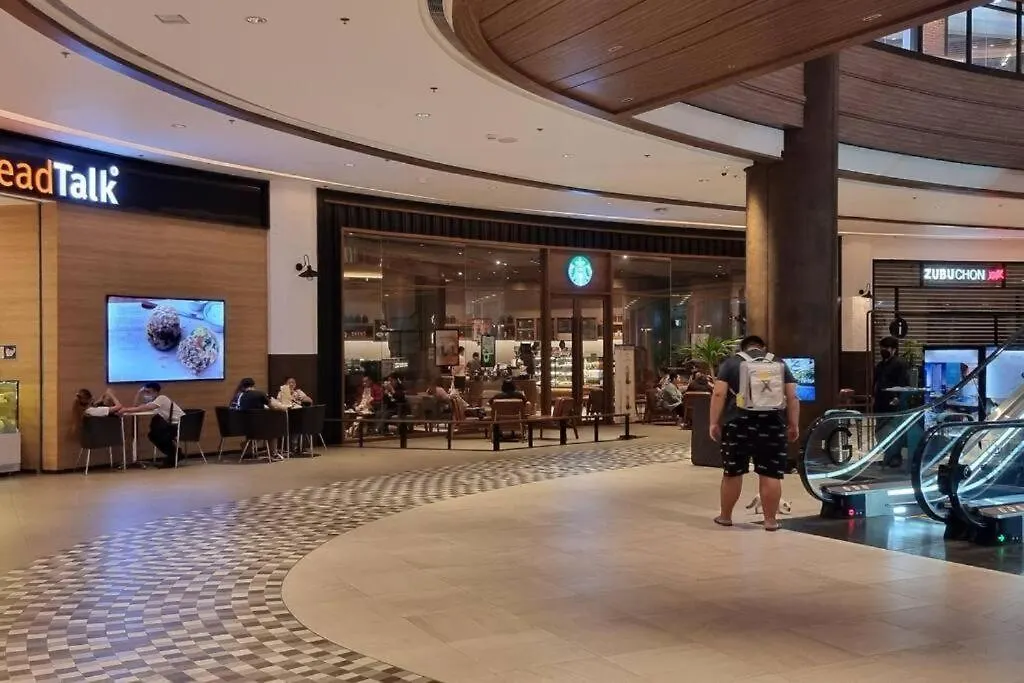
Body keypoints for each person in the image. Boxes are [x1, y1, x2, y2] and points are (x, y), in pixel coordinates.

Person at [709, 335, 799, 532]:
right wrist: (793, 424)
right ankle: (770, 521)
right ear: (763, 347)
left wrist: (714, 423)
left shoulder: (731, 363)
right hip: (773, 424)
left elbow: (718, 393)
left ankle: (725, 517)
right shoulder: (779, 363)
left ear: (743, 348)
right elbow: (792, 396)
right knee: (770, 473)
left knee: (733, 472)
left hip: (738, 424)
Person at [121, 383, 184, 468]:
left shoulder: (162, 398)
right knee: (153, 435)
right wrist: (139, 393)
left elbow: (144, 408)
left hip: (180, 426)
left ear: (155, 392)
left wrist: (125, 410)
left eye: (148, 392)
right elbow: (136, 406)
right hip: (173, 426)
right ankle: (175, 455)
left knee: (158, 435)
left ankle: (175, 455)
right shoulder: (153, 402)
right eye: (145, 392)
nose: (146, 394)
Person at [874, 336, 911, 467]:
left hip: (893, 403)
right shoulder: (880, 365)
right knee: (881, 431)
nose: (883, 350)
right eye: (882, 347)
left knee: (893, 430)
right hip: (880, 403)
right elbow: (876, 382)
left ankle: (896, 456)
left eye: (886, 347)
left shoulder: (900, 364)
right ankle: (887, 455)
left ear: (894, 349)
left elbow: (903, 382)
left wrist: (898, 398)